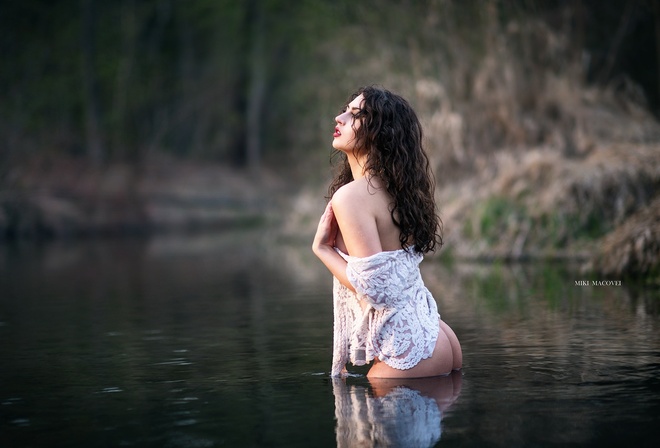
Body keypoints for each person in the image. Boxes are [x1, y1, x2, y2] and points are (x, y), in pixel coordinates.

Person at [312, 85, 462, 378]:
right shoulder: (397, 192)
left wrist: (322, 249)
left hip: (409, 349)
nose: (339, 118)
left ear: (380, 131)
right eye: (345, 110)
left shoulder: (351, 197)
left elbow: (376, 288)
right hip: (437, 333)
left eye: (354, 114)